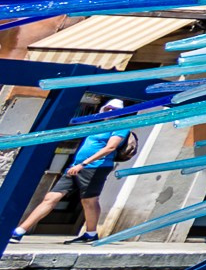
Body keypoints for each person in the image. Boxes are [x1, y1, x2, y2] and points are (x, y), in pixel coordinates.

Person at [13, 100, 132, 243]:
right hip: (75, 166)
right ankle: (19, 231)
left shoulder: (121, 126)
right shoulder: (97, 125)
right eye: (108, 108)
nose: (110, 111)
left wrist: (83, 164)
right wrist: (77, 164)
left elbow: (110, 148)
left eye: (114, 109)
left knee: (89, 201)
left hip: (95, 167)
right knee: (51, 198)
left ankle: (91, 233)